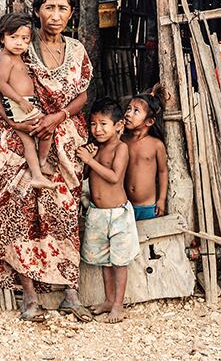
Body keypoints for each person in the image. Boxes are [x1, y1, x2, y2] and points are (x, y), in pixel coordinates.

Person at [0, 0, 94, 323]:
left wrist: (58, 116)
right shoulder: (22, 45)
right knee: (21, 215)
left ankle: (70, 292)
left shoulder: (77, 50)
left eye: (63, 8)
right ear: (37, 12)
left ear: (71, 14)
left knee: (63, 215)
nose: (56, 14)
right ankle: (30, 297)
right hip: (23, 140)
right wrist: (13, 118)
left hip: (64, 144)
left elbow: (83, 96)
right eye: (49, 7)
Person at [76, 97, 137, 323]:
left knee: (119, 261)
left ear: (118, 126)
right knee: (103, 261)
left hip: (118, 215)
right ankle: (109, 300)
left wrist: (89, 161)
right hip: (97, 213)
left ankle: (119, 306)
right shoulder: (97, 149)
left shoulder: (121, 148)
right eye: (93, 124)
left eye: (103, 124)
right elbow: (84, 176)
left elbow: (114, 177)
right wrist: (87, 160)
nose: (97, 129)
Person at [0, 12, 52, 189]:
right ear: (2, 38)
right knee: (46, 127)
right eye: (13, 37)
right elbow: (1, 83)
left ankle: (37, 175)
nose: (19, 42)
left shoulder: (9, 57)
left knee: (28, 142)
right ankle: (42, 161)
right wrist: (20, 100)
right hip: (19, 103)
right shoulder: (6, 59)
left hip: (22, 103)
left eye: (24, 39)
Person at [123, 87, 169, 221]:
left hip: (148, 206)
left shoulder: (156, 145)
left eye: (136, 111)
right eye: (128, 109)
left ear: (149, 121)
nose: (129, 114)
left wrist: (162, 199)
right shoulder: (122, 141)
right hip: (125, 205)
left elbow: (162, 172)